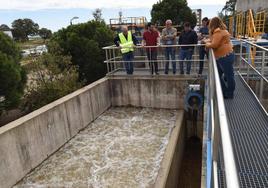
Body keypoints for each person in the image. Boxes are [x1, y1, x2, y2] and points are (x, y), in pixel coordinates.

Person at [205, 17, 235, 99]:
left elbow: (214, 44)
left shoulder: (218, 32)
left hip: (224, 57)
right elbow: (214, 40)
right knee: (219, 74)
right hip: (227, 55)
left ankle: (229, 94)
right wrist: (207, 41)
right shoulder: (222, 30)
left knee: (229, 76)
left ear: (212, 24)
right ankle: (225, 91)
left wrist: (207, 44)